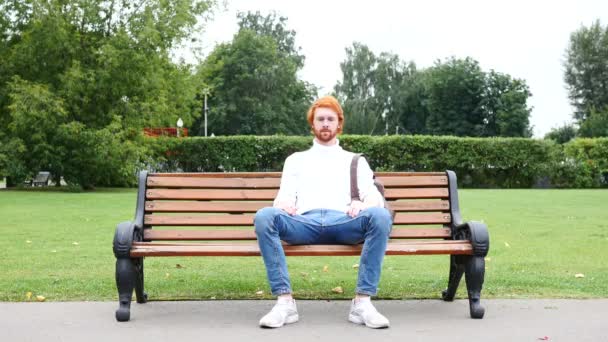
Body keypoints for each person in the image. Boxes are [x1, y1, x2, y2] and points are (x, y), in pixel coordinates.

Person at [254, 95, 393, 329]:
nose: (325, 124)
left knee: (380, 215)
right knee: (264, 216)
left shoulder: (355, 160)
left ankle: (363, 303)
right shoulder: (295, 160)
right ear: (313, 124)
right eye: (320, 119)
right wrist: (284, 205)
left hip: (344, 222)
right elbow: (283, 196)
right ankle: (284, 302)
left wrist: (364, 204)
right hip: (303, 223)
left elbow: (374, 197)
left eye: (330, 119)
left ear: (339, 123)